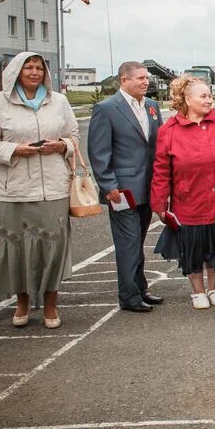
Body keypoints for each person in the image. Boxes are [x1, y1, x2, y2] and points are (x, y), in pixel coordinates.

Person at [0, 52, 80, 329]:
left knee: (52, 249)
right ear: (15, 72)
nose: (34, 72)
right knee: (17, 248)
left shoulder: (59, 101)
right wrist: (15, 150)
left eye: (39, 68)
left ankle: (50, 304)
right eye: (28, 68)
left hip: (53, 190)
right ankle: (21, 301)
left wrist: (63, 146)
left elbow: (74, 136)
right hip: (12, 190)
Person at [150, 77, 215, 309]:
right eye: (203, 96)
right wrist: (160, 203)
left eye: (210, 95)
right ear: (187, 99)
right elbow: (161, 169)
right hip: (189, 201)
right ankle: (198, 291)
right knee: (193, 249)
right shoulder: (169, 130)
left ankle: (214, 288)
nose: (209, 99)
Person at [88, 61, 165, 313]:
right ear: (124, 80)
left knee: (138, 241)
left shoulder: (152, 107)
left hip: (147, 187)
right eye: (140, 78)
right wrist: (109, 186)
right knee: (128, 243)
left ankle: (141, 288)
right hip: (121, 190)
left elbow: (156, 146)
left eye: (146, 78)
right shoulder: (107, 109)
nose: (146, 82)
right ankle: (129, 296)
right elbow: (99, 152)